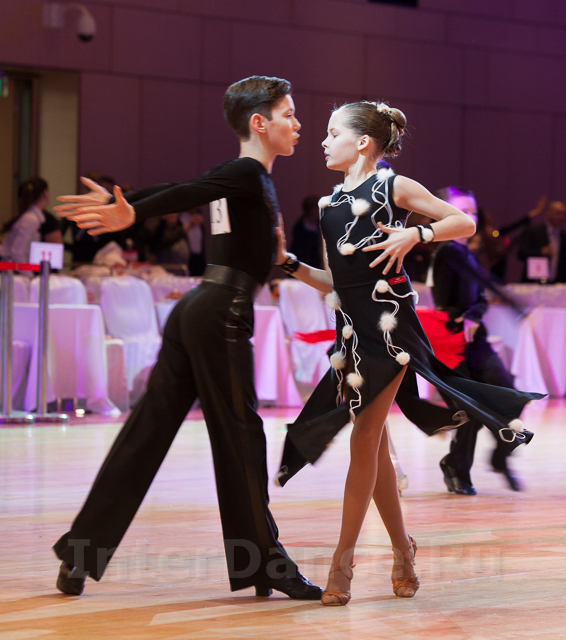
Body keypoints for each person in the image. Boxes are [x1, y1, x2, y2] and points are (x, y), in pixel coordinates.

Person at [51, 76, 321, 601]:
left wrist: (133, 201)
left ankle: (79, 554)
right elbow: (187, 191)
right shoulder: (245, 173)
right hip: (220, 314)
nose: (297, 124)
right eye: (288, 114)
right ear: (259, 123)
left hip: (199, 310)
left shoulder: (242, 179)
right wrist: (133, 209)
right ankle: (266, 564)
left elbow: (190, 186)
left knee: (146, 434)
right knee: (241, 437)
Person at [273, 101, 541, 606]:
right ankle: (403, 551)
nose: (323, 141)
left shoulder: (392, 187)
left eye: (333, 133)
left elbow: (463, 223)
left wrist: (417, 232)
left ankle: (341, 564)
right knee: (373, 450)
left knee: (364, 442)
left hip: (391, 334)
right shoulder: (329, 207)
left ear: (362, 143)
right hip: (351, 337)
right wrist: (289, 264)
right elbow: (338, 282)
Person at [431, 186, 528, 495]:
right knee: (468, 409)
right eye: (463, 211)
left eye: (473, 211)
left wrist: (474, 314)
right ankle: (455, 467)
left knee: (511, 396)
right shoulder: (447, 251)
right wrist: (468, 315)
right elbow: (448, 302)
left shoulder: (467, 253)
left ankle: (500, 457)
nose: (470, 216)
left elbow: (481, 298)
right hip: (451, 343)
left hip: (475, 341)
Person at [1, 177, 50, 266]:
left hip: (8, 264)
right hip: (7, 266)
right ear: (45, 193)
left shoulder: (28, 216)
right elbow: (17, 252)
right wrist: (28, 273)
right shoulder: (31, 219)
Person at [517, 199, 566, 283]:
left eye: (564, 214)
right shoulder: (534, 231)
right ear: (548, 213)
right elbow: (521, 253)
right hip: (534, 283)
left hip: (557, 285)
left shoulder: (564, 236)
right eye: (558, 213)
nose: (561, 217)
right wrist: (540, 252)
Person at [289, 195, 323, 268]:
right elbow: (297, 247)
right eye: (316, 208)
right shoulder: (300, 226)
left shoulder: (319, 225)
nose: (319, 211)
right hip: (301, 261)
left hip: (314, 263)